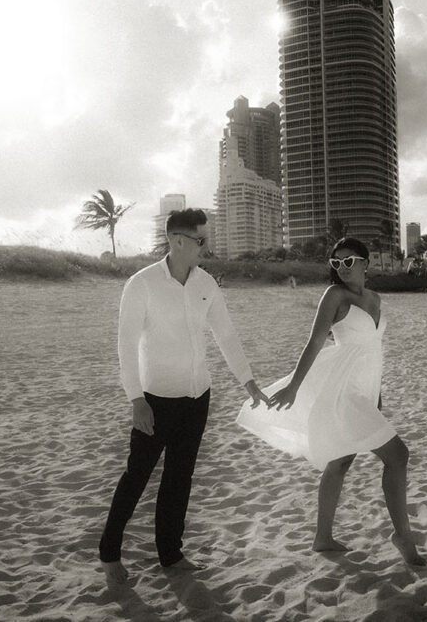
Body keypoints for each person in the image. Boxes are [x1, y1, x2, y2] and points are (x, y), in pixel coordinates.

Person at [99, 208, 267, 587]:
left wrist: (248, 381)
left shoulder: (206, 282)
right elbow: (125, 346)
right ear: (177, 240)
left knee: (180, 478)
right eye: (200, 241)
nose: (205, 248)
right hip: (155, 401)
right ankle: (109, 552)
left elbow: (225, 335)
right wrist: (135, 400)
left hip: (197, 397)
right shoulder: (141, 284)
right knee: (136, 477)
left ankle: (170, 554)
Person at [236, 237, 425, 566]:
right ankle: (402, 536)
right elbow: (315, 341)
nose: (341, 268)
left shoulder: (375, 298)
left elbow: (373, 352)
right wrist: (295, 386)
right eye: (336, 263)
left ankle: (322, 538)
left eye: (348, 261)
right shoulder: (334, 295)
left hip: (364, 391)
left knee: (340, 461)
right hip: (344, 392)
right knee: (398, 455)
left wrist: (376, 395)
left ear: (366, 263)